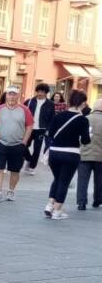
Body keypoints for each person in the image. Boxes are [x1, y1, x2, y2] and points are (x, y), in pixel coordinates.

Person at [44, 89, 92, 220]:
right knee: (64, 182)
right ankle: (57, 211)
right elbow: (86, 140)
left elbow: (50, 134)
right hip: (71, 154)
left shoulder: (58, 116)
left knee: (57, 179)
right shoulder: (83, 120)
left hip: (54, 153)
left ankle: (49, 205)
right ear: (82, 103)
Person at [0, 86, 34, 203]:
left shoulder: (25, 110)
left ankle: (11, 190)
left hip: (18, 144)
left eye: (14, 94)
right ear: (6, 95)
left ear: (18, 96)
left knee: (15, 170)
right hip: (1, 143)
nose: (11, 96)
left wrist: (24, 142)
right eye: (9, 94)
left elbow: (29, 126)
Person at [23, 83, 54, 175]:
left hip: (41, 129)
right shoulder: (29, 101)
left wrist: (48, 129)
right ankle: (29, 159)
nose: (40, 93)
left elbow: (52, 118)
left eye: (43, 92)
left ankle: (32, 167)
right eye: (39, 91)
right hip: (28, 128)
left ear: (46, 93)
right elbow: (22, 113)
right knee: (23, 146)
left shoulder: (50, 104)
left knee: (37, 149)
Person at [77, 98, 102, 210]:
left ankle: (81, 202)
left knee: (82, 180)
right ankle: (97, 200)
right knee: (99, 180)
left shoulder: (85, 119)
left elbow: (78, 138)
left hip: (84, 154)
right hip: (100, 156)